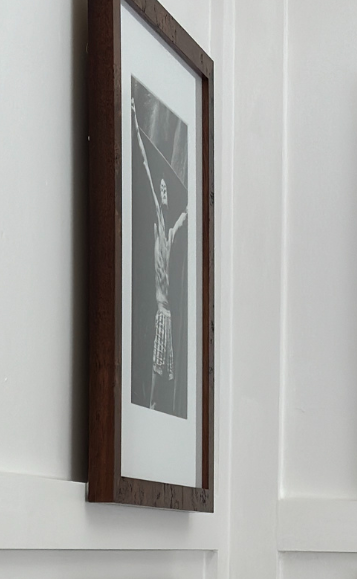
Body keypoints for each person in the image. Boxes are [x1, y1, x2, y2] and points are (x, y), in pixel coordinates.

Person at [132, 98, 188, 410]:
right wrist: (137, 128)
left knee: (166, 389)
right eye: (163, 190)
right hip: (160, 315)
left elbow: (185, 218)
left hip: (169, 317)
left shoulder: (171, 232)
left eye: (168, 191)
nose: (164, 192)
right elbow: (144, 168)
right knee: (155, 389)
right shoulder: (158, 222)